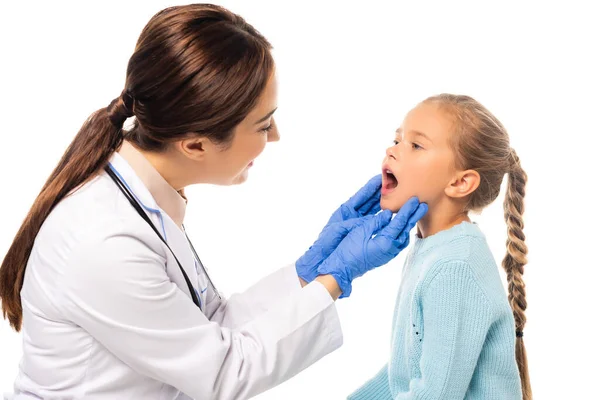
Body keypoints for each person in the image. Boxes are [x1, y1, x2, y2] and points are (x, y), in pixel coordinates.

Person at [0, 4, 427, 400]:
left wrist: (309, 271)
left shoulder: (141, 201)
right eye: (263, 125)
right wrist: (335, 278)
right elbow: (224, 372)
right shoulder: (104, 243)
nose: (275, 137)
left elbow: (208, 327)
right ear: (195, 144)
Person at [347, 94, 531, 399]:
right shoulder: (433, 248)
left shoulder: (454, 266)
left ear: (460, 183)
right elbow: (406, 371)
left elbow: (435, 394)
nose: (392, 150)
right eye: (397, 139)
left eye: (415, 145)